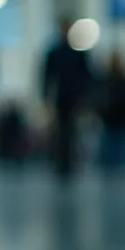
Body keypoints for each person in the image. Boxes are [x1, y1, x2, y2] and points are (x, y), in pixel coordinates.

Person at [43, 17, 93, 180]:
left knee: (71, 130)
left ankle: (69, 160)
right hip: (61, 97)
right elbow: (47, 76)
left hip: (74, 97)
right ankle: (61, 160)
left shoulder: (78, 52)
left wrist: (84, 97)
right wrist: (46, 97)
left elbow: (85, 77)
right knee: (62, 130)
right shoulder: (55, 52)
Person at [95, 52, 125, 172]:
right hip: (111, 121)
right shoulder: (109, 81)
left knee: (118, 152)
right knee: (112, 152)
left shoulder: (116, 82)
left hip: (119, 122)